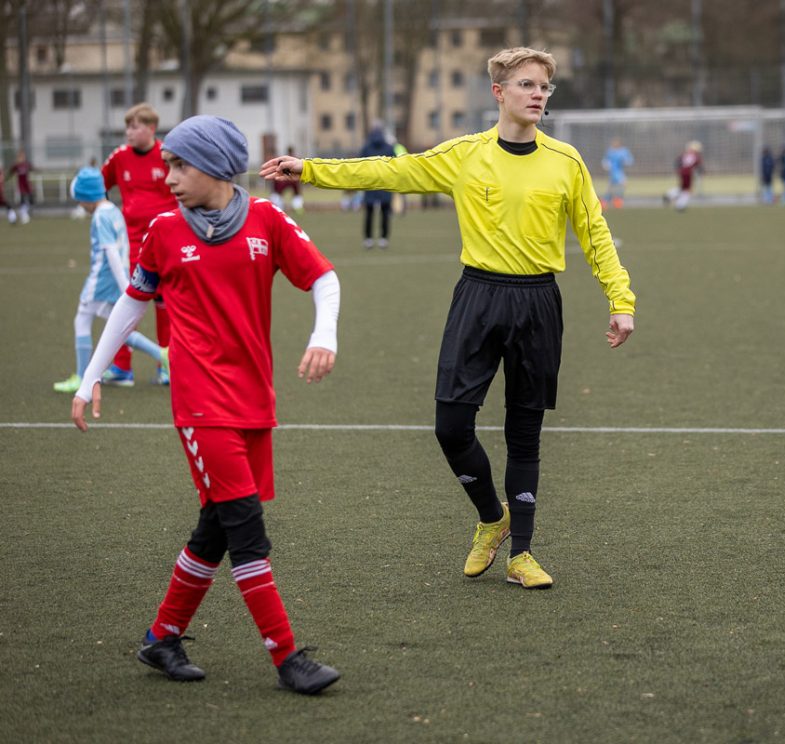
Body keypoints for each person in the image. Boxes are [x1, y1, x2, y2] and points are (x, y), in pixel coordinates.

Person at [261, 46, 635, 589]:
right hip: (478, 297)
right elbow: (392, 171)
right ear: (499, 93)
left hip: (537, 303)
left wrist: (620, 300)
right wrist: (311, 169)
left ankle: (522, 554)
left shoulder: (566, 161)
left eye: (544, 87)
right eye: (527, 85)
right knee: (451, 426)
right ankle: (491, 517)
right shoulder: (465, 154)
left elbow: (595, 235)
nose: (537, 95)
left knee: (524, 430)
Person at [70, 115, 341, 695]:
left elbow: (324, 279)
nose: (166, 177)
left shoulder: (267, 218)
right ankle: (287, 657)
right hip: (199, 403)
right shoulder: (164, 231)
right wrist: (89, 377)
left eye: (178, 165)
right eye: (166, 164)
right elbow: (130, 306)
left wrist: (325, 335)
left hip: (254, 400)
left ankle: (161, 638)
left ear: (216, 166)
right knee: (246, 528)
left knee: (215, 527)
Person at [52, 168, 166, 394]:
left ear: (87, 197)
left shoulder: (100, 217)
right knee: (117, 325)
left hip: (101, 280)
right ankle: (162, 354)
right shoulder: (113, 210)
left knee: (82, 319)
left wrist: (125, 285)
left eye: (80, 200)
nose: (80, 205)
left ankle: (82, 377)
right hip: (114, 278)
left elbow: (111, 252)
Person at [102, 103, 177, 386]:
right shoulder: (119, 156)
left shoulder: (168, 155)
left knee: (165, 303)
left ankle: (166, 365)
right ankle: (122, 367)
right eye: (127, 127)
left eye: (134, 127)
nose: (129, 132)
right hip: (130, 244)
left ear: (151, 128)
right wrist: (107, 216)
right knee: (126, 301)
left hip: (165, 242)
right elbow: (99, 185)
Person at [359, 127, 394, 249]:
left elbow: (359, 165)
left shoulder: (366, 148)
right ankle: (384, 238)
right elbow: (395, 166)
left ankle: (368, 239)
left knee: (369, 213)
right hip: (385, 184)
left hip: (370, 184)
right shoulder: (389, 148)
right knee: (385, 213)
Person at [665, 140, 703, 211]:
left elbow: (677, 161)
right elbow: (699, 166)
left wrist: (679, 169)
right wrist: (701, 171)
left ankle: (671, 196)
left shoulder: (685, 154)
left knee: (683, 188)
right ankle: (679, 204)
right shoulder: (696, 156)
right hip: (688, 173)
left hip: (682, 172)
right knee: (686, 190)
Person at [269, 146, 306, 214]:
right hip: (290, 179)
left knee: (279, 192)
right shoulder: (295, 158)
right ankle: (297, 207)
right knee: (295, 193)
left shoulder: (284, 159)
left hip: (285, 179)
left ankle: (279, 208)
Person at [601, 137, 633, 209]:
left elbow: (629, 160)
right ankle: (615, 201)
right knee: (619, 185)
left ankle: (607, 201)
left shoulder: (623, 151)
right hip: (614, 173)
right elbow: (605, 161)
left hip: (619, 172)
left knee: (614, 187)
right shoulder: (610, 151)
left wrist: (625, 162)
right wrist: (606, 164)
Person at [8, 148, 33, 224]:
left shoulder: (26, 164)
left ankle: (24, 212)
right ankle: (23, 214)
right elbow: (11, 172)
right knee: (22, 199)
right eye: (20, 156)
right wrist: (6, 179)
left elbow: (32, 168)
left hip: (27, 184)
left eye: (23, 156)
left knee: (31, 199)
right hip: (20, 185)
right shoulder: (16, 165)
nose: (22, 158)